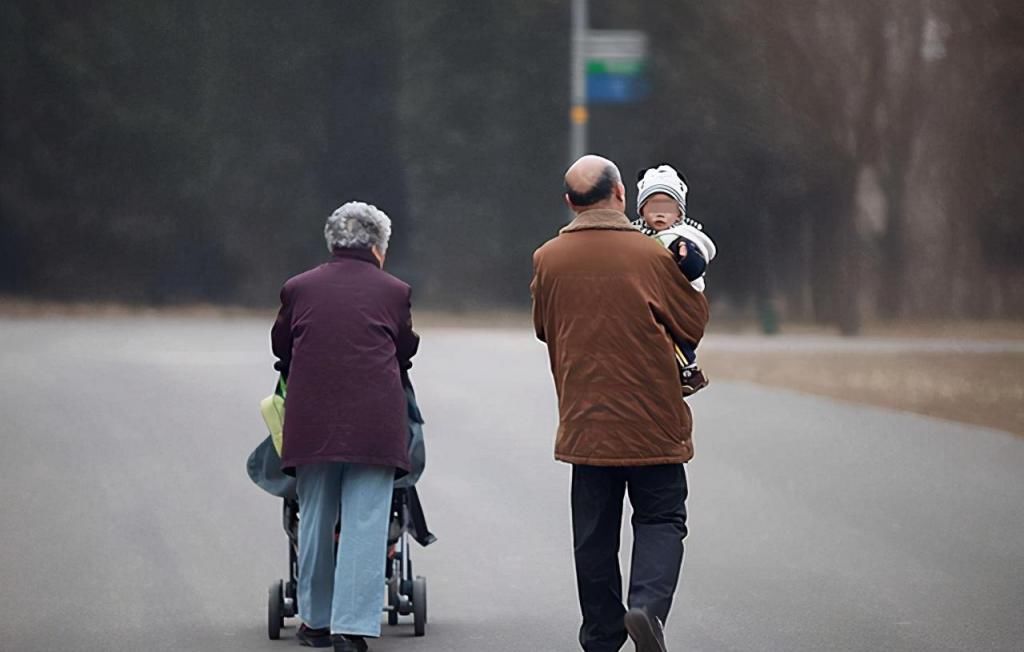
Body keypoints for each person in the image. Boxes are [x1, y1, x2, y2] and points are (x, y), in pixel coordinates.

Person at [530, 155, 709, 652]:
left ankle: (602, 637)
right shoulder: (654, 256)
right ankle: (646, 608)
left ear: (570, 203)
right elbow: (691, 324)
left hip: (586, 422)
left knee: (593, 535)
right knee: (661, 518)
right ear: (621, 197)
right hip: (654, 420)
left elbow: (543, 327)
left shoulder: (547, 259)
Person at [271, 201, 418, 652]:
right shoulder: (394, 291)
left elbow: (281, 346)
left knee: (314, 517)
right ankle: (351, 628)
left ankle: (314, 621)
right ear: (377, 247)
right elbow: (405, 348)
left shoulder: (298, 287)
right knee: (367, 521)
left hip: (311, 422)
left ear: (333, 243)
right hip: (375, 424)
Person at [632, 164, 717, 395]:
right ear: (641, 210)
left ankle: (688, 369)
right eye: (653, 206)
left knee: (672, 334)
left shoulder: (682, 237)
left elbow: (697, 265)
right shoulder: (634, 235)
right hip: (649, 296)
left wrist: (686, 258)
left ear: (679, 213)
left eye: (667, 207)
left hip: (677, 298)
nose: (660, 213)